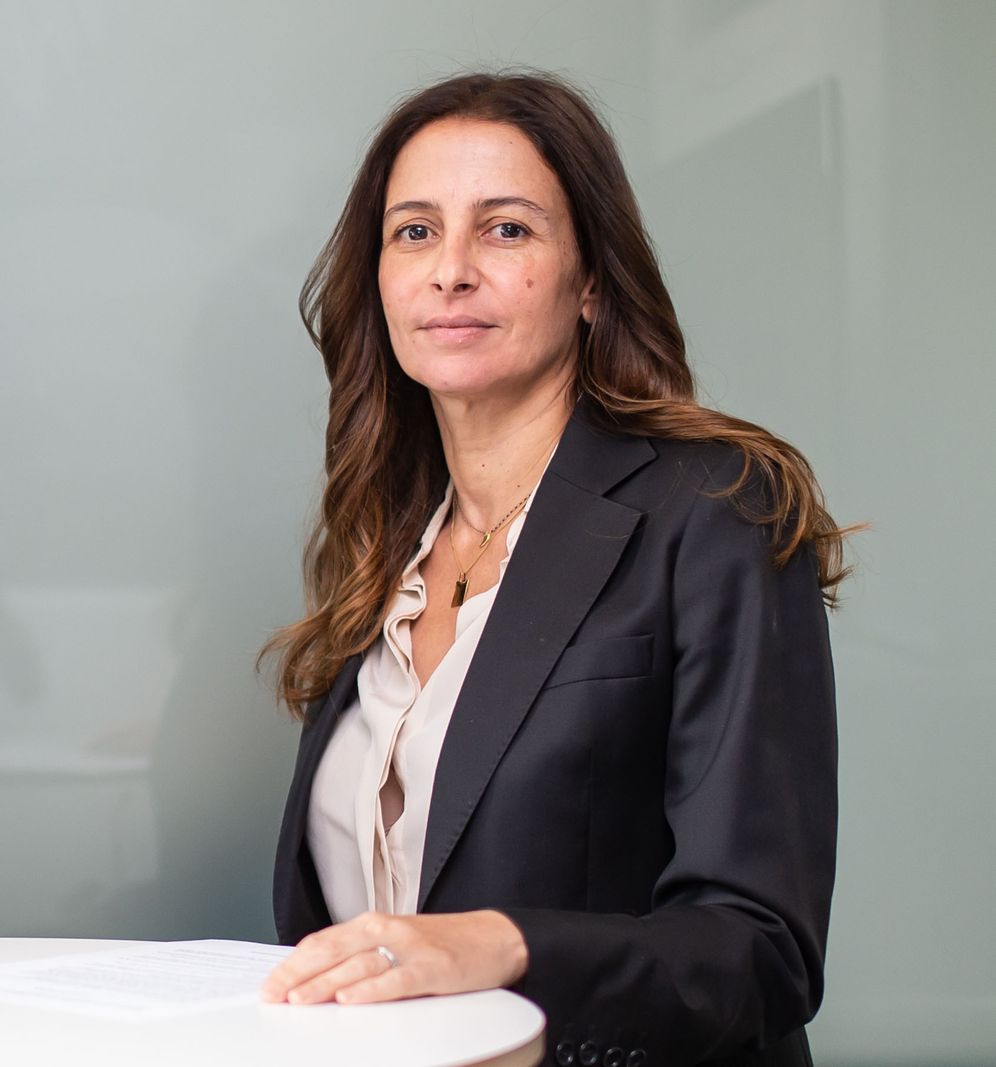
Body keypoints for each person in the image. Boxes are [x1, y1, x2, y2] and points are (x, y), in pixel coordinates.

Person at [258, 71, 847, 1067]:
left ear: (591, 282)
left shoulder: (715, 509)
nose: (451, 270)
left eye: (506, 229)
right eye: (414, 231)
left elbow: (760, 948)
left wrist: (500, 945)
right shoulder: (383, 545)